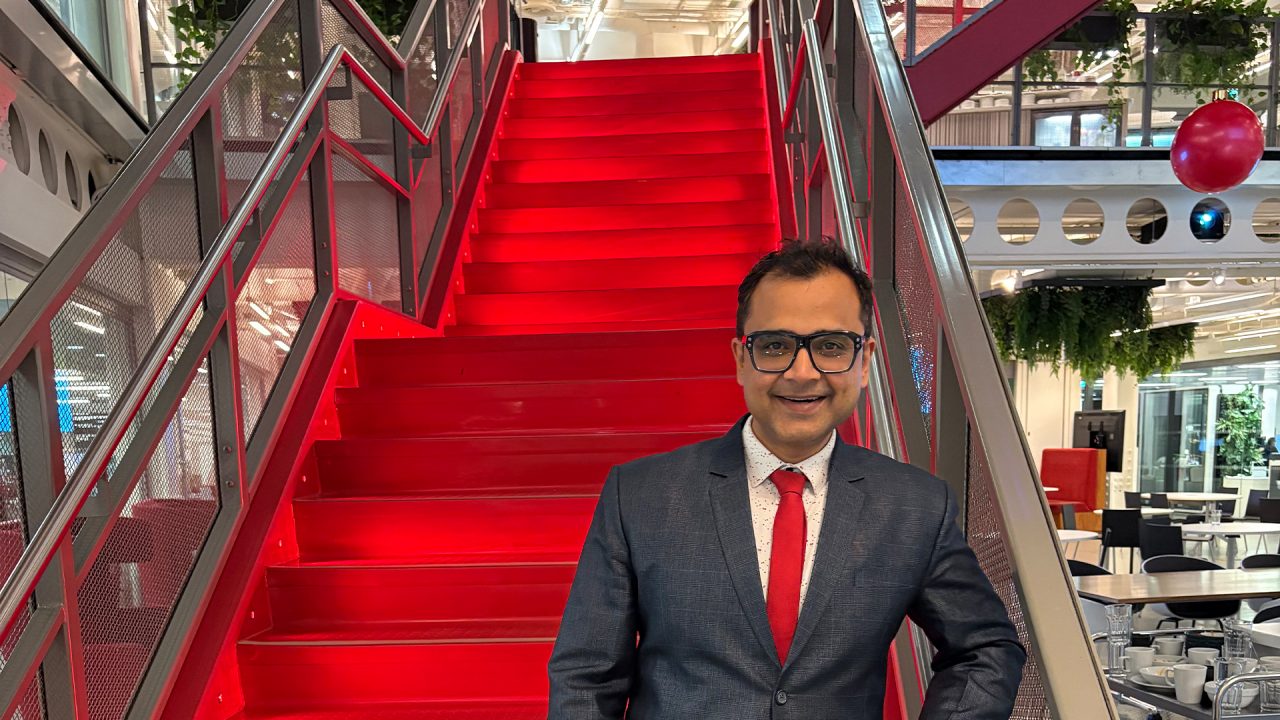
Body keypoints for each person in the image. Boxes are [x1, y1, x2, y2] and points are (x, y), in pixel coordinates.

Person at [547, 240, 1026, 719]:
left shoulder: (915, 506)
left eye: (831, 346)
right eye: (775, 345)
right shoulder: (640, 495)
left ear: (864, 361)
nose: (801, 373)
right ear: (741, 358)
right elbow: (586, 676)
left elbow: (985, 648)